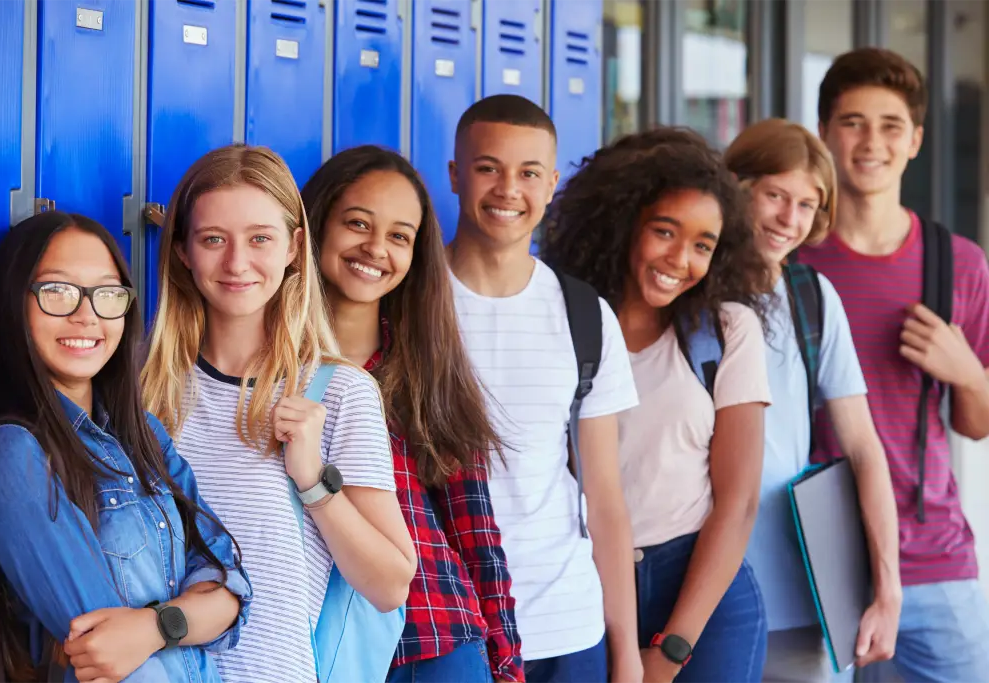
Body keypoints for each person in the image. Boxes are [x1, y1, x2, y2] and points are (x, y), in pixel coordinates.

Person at [141, 143, 417, 683]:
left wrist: (313, 481)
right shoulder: (143, 387)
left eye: (259, 239)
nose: (237, 263)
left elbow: (390, 585)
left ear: (294, 247)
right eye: (213, 239)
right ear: (182, 251)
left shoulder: (340, 393)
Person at [0, 211, 251, 683]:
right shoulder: (12, 454)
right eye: (57, 291)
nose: (87, 315)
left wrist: (156, 627)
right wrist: (182, 620)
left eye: (107, 293)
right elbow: (101, 650)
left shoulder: (145, 436)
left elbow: (231, 588)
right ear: (14, 304)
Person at [541, 128, 771, 683]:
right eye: (664, 231)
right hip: (584, 583)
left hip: (700, 595)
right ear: (623, 226)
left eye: (702, 245)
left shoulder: (726, 331)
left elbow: (736, 505)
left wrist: (672, 648)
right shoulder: (561, 320)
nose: (680, 260)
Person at [799, 47, 989, 682]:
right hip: (811, 557)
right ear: (826, 132)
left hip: (933, 556)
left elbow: (978, 424)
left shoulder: (957, 263)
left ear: (915, 141)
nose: (870, 141)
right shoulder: (794, 264)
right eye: (852, 122)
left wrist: (967, 372)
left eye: (889, 125)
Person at [303, 144, 523, 682]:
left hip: (434, 640)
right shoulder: (267, 368)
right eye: (357, 223)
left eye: (400, 236)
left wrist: (507, 662)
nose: (376, 248)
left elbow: (474, 530)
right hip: (312, 648)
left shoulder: (426, 369)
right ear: (315, 227)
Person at [446, 94, 642, 683]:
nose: (509, 189)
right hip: (450, 628)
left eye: (529, 173)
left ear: (552, 183)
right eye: (488, 168)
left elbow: (604, 499)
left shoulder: (585, 313)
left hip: (569, 628)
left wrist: (626, 650)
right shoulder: (408, 304)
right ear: (456, 174)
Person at [725, 118, 902, 682]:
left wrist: (887, 588)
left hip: (803, 590)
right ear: (736, 187)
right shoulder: (687, 287)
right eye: (775, 195)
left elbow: (864, 448)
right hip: (701, 591)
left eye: (806, 205)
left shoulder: (812, 298)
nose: (788, 220)